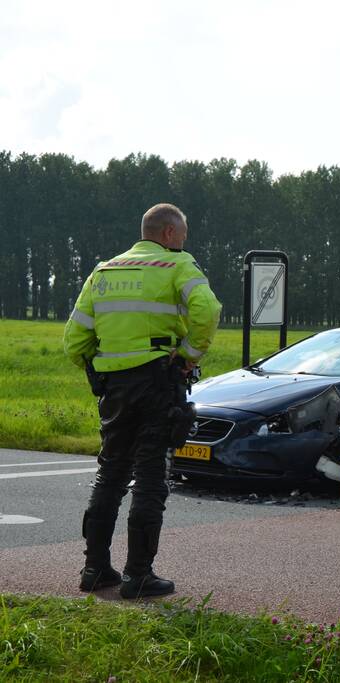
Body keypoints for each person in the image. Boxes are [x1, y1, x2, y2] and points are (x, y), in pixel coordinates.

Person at [64, 203, 222, 598]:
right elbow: (208, 309)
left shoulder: (103, 271)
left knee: (110, 474)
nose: (183, 241)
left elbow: (74, 339)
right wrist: (187, 356)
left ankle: (94, 570)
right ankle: (138, 576)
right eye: (182, 235)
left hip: (114, 388)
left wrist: (101, 369)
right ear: (169, 233)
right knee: (151, 476)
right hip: (158, 381)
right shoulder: (177, 264)